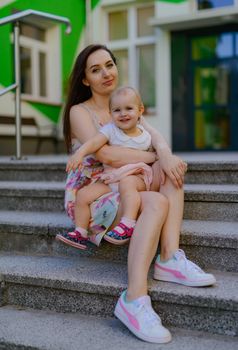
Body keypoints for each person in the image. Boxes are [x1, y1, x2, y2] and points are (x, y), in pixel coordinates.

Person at [56, 44, 216, 344]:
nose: (106, 73)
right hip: (95, 192)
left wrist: (165, 154)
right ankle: (134, 298)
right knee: (155, 200)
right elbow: (108, 155)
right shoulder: (81, 111)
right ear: (85, 80)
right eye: (95, 69)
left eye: (109, 64)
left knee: (172, 172)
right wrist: (156, 158)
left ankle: (169, 258)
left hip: (128, 183)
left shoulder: (126, 103)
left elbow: (154, 137)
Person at [65, 86, 155, 249]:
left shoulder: (146, 136)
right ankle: (80, 232)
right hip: (111, 178)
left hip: (136, 178)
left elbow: (157, 155)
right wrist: (79, 154)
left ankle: (127, 223)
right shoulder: (110, 130)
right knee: (84, 195)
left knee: (127, 184)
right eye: (117, 110)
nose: (123, 113)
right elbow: (93, 143)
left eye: (129, 108)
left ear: (140, 110)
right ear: (110, 114)